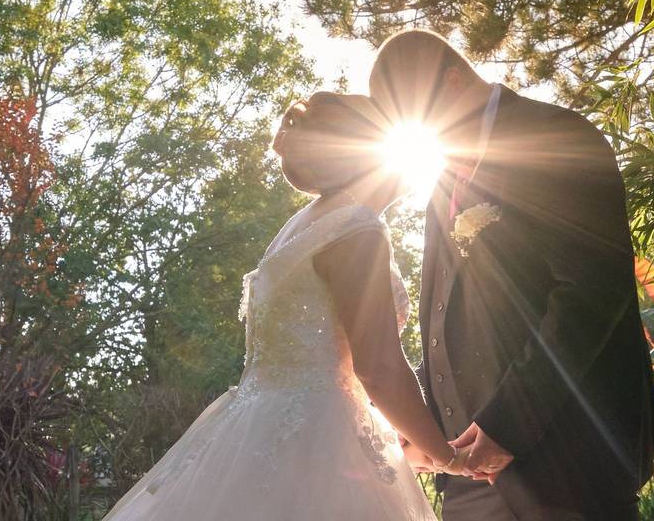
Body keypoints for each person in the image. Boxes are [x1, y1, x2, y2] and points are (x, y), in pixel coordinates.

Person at [101, 91, 464, 521]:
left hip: (253, 424)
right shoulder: (356, 229)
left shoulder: (306, 222)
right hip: (318, 439)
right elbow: (377, 365)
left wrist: (404, 435)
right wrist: (447, 456)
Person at [370, 29, 654, 521]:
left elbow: (591, 292)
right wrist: (422, 425)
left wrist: (506, 425)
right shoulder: (441, 179)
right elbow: (443, 315)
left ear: (452, 82)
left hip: (565, 459)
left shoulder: (554, 136)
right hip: (465, 471)